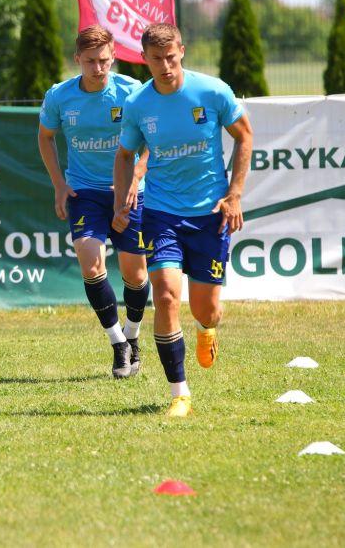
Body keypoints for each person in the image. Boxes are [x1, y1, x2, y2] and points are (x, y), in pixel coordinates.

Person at [114, 23, 254, 418]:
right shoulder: (138, 104)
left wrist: (235, 194)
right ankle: (180, 393)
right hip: (161, 213)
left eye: (171, 58)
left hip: (210, 214)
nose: (165, 66)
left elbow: (245, 136)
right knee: (165, 296)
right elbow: (124, 154)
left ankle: (207, 329)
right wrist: (121, 202)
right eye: (156, 59)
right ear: (144, 59)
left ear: (182, 52)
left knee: (206, 310)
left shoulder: (212, 91)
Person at [38, 25, 151, 378]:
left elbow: (153, 136)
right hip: (84, 192)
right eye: (90, 61)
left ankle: (133, 335)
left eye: (104, 60)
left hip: (128, 192)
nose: (98, 68)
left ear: (113, 56)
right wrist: (59, 184)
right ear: (77, 60)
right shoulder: (60, 96)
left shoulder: (131, 91)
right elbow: (45, 137)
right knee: (90, 265)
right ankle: (118, 344)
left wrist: (135, 176)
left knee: (136, 275)